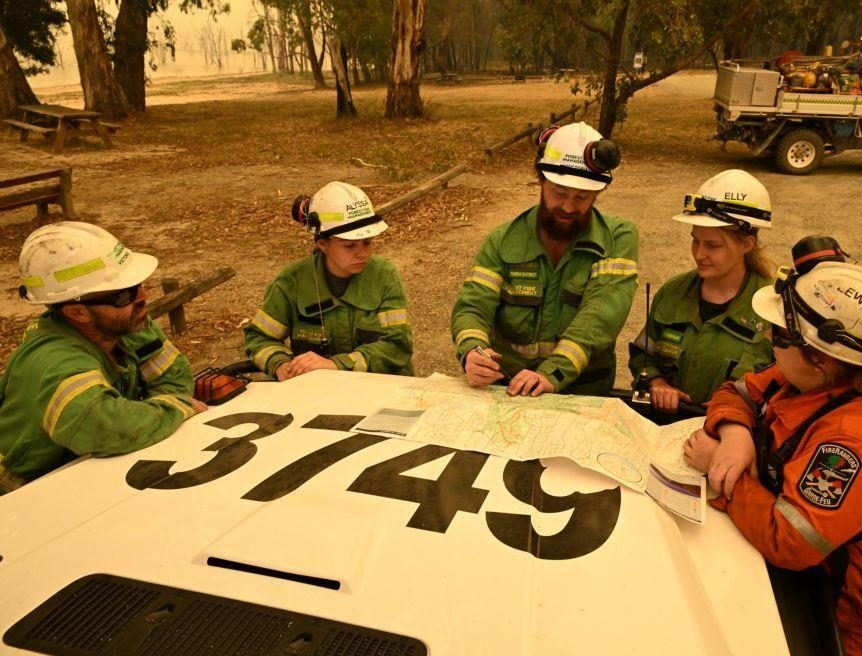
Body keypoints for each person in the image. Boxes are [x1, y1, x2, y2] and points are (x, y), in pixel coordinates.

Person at [683, 236, 862, 656]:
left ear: (819, 357)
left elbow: (791, 541)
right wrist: (734, 433)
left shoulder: (854, 445)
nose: (768, 339)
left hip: (849, 627)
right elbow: (737, 391)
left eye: (779, 334)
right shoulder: (804, 379)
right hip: (812, 585)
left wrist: (723, 475)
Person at [0, 222, 203, 494]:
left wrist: (162, 409)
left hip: (88, 468)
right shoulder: (53, 361)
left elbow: (176, 377)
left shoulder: (128, 324)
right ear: (77, 313)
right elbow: (107, 427)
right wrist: (176, 409)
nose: (143, 298)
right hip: (22, 489)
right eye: (123, 295)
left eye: (138, 285)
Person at [451, 121, 638, 397]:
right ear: (541, 181)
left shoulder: (617, 239)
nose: (568, 206)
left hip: (582, 389)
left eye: (582, 197)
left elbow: (599, 319)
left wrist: (552, 373)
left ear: (598, 193)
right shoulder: (502, 240)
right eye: (559, 193)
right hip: (509, 387)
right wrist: (472, 352)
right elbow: (473, 307)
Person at [628, 169, 775, 414]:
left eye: (713, 245)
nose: (699, 254)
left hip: (734, 440)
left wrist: (739, 403)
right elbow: (645, 355)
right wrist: (657, 383)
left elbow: (787, 390)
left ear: (746, 245)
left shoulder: (773, 310)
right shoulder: (673, 293)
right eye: (696, 240)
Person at [244, 181, 413, 380]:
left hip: (379, 389)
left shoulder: (384, 275)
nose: (362, 253)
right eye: (349, 246)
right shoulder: (293, 281)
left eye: (367, 242)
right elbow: (259, 337)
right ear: (323, 244)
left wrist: (337, 364)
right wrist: (280, 364)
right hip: (316, 393)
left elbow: (397, 346)